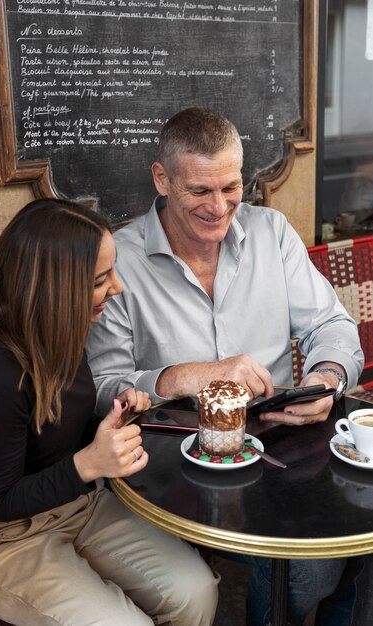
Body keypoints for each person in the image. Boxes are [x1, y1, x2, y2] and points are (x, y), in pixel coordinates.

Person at [86, 107, 364, 625]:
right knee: (312, 569)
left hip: (284, 445)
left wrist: (325, 380)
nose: (219, 207)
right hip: (178, 470)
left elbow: (334, 327)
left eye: (231, 187)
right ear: (162, 178)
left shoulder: (272, 233)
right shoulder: (117, 260)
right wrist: (188, 376)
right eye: (199, 192)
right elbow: (103, 389)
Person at [0, 198, 218, 626]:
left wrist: (114, 417)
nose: (117, 287)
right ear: (54, 287)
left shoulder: (65, 332)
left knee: (196, 591)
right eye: (101, 279)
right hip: (3, 538)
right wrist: (88, 464)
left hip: (80, 505)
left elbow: (60, 434)